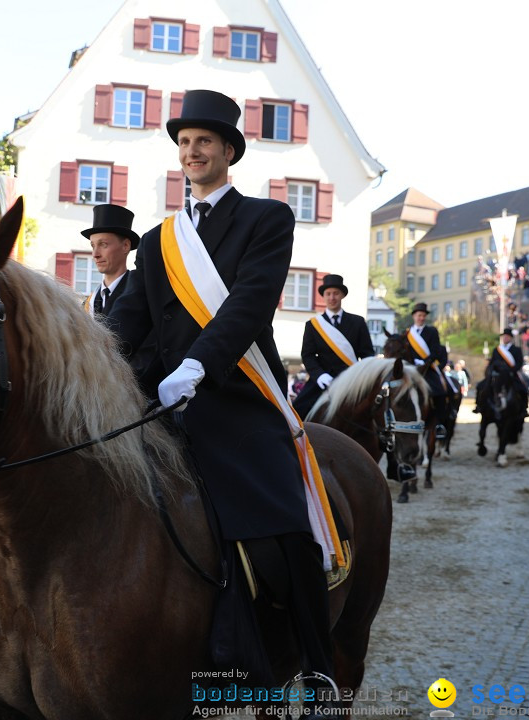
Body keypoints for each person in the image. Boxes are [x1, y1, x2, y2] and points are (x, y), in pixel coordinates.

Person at [109, 89, 333, 685]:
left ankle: (317, 668)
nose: (192, 151)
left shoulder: (266, 218)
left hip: (238, 396)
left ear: (229, 150)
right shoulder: (158, 241)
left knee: (287, 527)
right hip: (163, 401)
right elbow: (130, 323)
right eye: (184, 143)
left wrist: (200, 364)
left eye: (203, 141)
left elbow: (248, 304)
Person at [291, 273, 375, 418]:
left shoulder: (358, 322)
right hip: (323, 379)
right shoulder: (313, 325)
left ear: (342, 295)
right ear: (323, 297)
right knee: (298, 409)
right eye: (328, 294)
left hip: (351, 380)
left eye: (336, 293)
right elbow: (308, 355)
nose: (332, 297)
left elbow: (367, 354)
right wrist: (320, 375)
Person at [82, 203, 140, 316]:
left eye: (103, 244)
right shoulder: (88, 305)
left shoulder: (141, 295)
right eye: (93, 246)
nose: (95, 254)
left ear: (125, 246)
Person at [407, 303, 449, 437]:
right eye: (419, 315)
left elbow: (436, 350)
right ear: (414, 316)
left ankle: (439, 424)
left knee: (440, 391)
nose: (421, 318)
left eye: (423, 316)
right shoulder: (408, 333)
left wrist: (426, 362)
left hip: (428, 368)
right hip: (411, 368)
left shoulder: (432, 331)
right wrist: (413, 362)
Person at [473, 328, 528, 416]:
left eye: (507, 336)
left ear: (510, 338)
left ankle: (524, 409)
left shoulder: (516, 349)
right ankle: (479, 405)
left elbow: (519, 363)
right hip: (497, 374)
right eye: (504, 336)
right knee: (480, 386)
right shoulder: (497, 350)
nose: (505, 338)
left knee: (522, 389)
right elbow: (491, 363)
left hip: (511, 374)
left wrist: (511, 371)